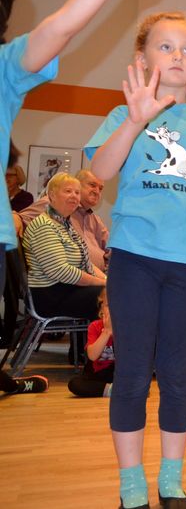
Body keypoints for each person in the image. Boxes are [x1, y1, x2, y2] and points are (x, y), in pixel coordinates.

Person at [0, 0, 176, 388]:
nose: (80, 196)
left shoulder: (6, 66)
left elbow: (60, 28)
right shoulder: (48, 224)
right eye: (72, 192)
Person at [87, 8, 186, 509]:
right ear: (142, 58)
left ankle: (171, 482)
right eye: (165, 46)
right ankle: (131, 485)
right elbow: (100, 169)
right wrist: (135, 120)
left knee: (177, 373)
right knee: (132, 372)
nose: (178, 55)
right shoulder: (125, 114)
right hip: (135, 259)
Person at [23, 172, 107, 361]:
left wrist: (107, 280)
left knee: (113, 293)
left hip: (63, 290)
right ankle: (100, 361)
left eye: (77, 192)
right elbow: (62, 271)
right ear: (51, 195)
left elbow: (86, 264)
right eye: (68, 191)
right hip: (48, 295)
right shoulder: (45, 225)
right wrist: (102, 284)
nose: (74, 196)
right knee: (111, 298)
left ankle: (97, 357)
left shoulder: (64, 225)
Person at [21, 168, 109, 272]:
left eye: (100, 188)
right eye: (92, 185)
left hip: (97, 274)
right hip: (68, 276)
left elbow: (112, 248)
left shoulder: (95, 220)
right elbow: (20, 217)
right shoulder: (54, 203)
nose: (97, 191)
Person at [69, 290, 116, 398]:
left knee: (138, 380)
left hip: (119, 373)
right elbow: (92, 356)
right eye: (108, 306)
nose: (113, 310)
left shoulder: (129, 328)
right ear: (102, 308)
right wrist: (107, 331)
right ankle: (112, 390)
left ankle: (120, 389)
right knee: (75, 384)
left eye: (118, 306)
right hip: (98, 373)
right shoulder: (94, 326)